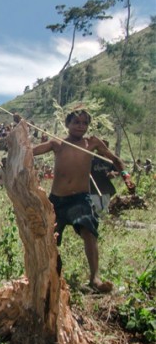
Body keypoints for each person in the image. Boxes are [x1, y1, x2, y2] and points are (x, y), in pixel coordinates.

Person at [32, 109, 131, 293]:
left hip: (80, 199)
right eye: (76, 122)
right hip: (57, 201)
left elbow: (116, 159)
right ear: (67, 124)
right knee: (49, 239)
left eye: (84, 123)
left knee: (89, 232)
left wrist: (125, 175)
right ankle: (48, 276)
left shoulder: (91, 142)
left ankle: (95, 278)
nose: (80, 126)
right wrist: (19, 141)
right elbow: (31, 152)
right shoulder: (57, 143)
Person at [89, 140, 117, 216]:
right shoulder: (91, 158)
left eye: (104, 147)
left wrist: (113, 174)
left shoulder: (109, 160)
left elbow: (117, 171)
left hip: (105, 188)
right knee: (96, 208)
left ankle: (105, 224)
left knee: (105, 208)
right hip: (93, 187)